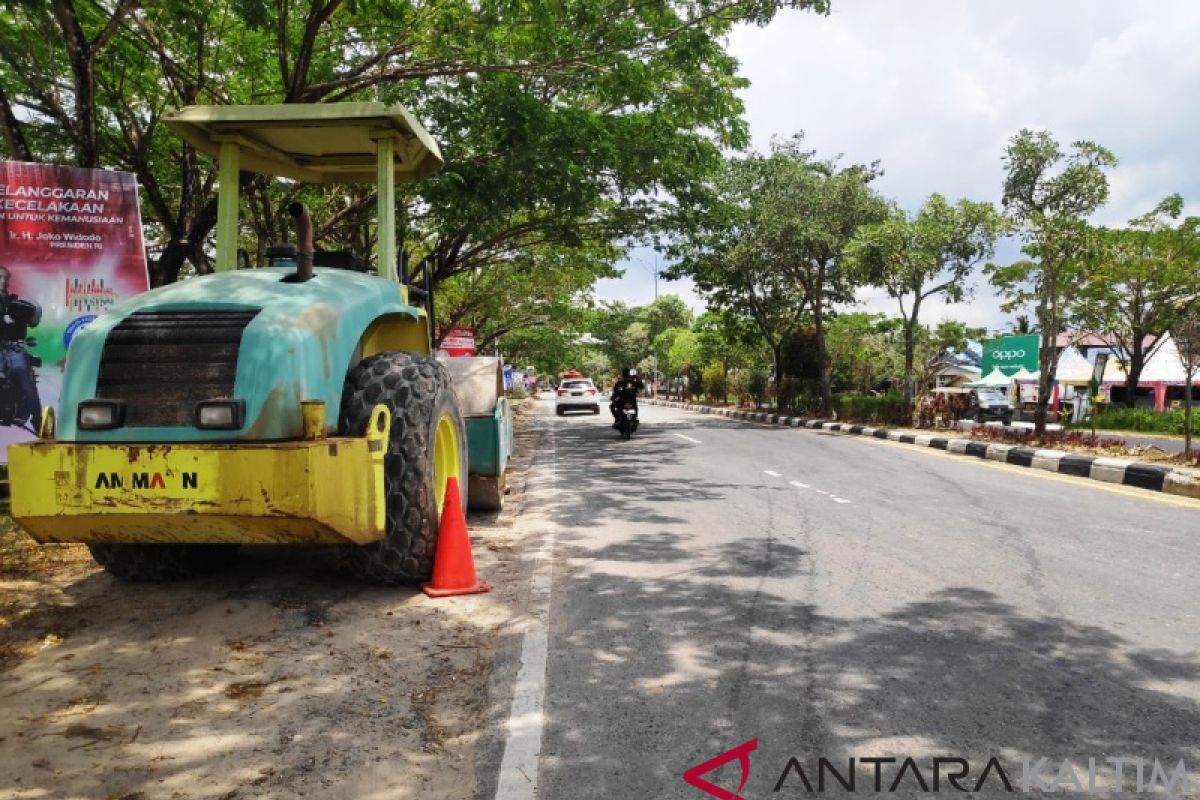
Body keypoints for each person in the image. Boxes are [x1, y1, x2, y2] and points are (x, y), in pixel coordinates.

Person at [0, 265, 43, 429]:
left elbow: (33, 320)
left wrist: (27, 315)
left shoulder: (17, 303)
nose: (3, 281)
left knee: (28, 384)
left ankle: (38, 422)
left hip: (14, 349)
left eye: (6, 278)